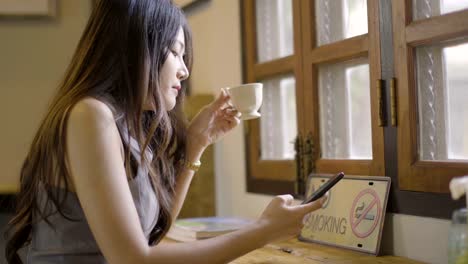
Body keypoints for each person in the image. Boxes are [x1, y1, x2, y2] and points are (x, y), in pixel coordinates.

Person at [4, 0, 325, 263]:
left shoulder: (121, 124)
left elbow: (153, 232)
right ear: (135, 51)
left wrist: (197, 144)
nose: (184, 70)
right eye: (175, 52)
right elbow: (133, 259)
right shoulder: (90, 115)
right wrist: (263, 231)